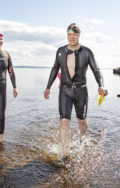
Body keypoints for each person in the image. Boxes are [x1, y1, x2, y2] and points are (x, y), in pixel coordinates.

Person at [44, 23, 108, 159]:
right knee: (64, 121)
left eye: (74, 34)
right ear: (67, 35)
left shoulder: (87, 52)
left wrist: (101, 85)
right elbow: (55, 69)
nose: (72, 37)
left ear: (79, 35)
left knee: (82, 120)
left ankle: (83, 138)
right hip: (65, 91)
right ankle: (64, 153)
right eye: (69, 34)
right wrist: (48, 87)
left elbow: (96, 70)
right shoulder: (60, 51)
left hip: (81, 92)